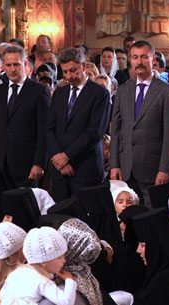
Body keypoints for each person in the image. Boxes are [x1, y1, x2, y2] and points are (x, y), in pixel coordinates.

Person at [110, 40, 169, 207]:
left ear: (153, 58)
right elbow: (117, 130)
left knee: (153, 220)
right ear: (130, 60)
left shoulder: (166, 91)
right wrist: (115, 165)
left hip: (154, 170)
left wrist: (165, 169)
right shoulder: (123, 90)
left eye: (143, 57)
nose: (139, 62)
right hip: (126, 168)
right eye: (135, 57)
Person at [0, 45, 51, 188]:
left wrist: (39, 163)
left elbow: (44, 131)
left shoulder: (39, 92)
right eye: (8, 65)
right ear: (3, 66)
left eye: (16, 64)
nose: (12, 69)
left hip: (26, 165)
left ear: (25, 64)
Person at [47, 47, 111, 201]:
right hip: (59, 171)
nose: (69, 76)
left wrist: (68, 156)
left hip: (86, 168)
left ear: (83, 67)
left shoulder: (100, 93)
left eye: (73, 70)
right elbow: (49, 128)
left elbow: (95, 131)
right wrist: (59, 158)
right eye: (65, 72)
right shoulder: (59, 94)